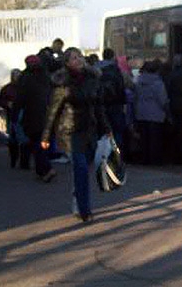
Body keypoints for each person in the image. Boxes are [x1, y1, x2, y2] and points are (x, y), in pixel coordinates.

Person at [41, 47, 113, 222]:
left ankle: (77, 200)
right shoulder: (62, 83)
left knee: (84, 170)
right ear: (66, 63)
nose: (79, 59)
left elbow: (99, 107)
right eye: (74, 58)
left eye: (80, 56)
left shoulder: (92, 79)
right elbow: (53, 112)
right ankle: (84, 210)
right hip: (70, 132)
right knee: (80, 168)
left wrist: (107, 128)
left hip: (89, 130)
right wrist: (45, 137)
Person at [16, 55, 56, 182]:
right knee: (43, 143)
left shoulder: (25, 78)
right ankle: (41, 170)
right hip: (47, 115)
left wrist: (15, 114)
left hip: (31, 116)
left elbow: (20, 99)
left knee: (37, 144)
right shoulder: (46, 76)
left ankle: (46, 169)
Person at [134, 60, 169, 165]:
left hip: (141, 113)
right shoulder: (158, 83)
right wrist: (167, 111)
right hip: (156, 114)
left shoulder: (138, 81)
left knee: (144, 139)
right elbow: (162, 100)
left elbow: (136, 97)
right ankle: (155, 160)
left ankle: (145, 159)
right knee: (155, 139)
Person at [99, 49, 127, 151]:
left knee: (103, 130)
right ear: (112, 56)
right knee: (117, 129)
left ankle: (103, 153)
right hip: (115, 103)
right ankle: (116, 153)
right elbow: (120, 87)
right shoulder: (115, 69)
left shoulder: (96, 68)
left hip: (100, 104)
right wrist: (123, 102)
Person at [0, 69, 24, 168]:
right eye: (15, 75)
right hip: (12, 116)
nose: (17, 77)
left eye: (18, 75)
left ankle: (23, 161)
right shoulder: (7, 88)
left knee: (24, 140)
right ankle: (13, 160)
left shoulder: (25, 88)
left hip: (23, 116)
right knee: (13, 139)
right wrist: (7, 104)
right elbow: (0, 100)